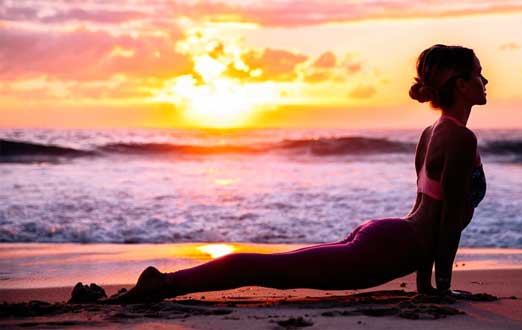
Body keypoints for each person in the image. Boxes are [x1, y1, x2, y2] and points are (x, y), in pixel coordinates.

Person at [109, 44, 488, 303]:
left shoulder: (432, 132)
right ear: (460, 84)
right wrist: (444, 288)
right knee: (273, 268)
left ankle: (163, 284)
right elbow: (447, 220)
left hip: (390, 236)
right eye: (478, 75)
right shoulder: (460, 138)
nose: (484, 82)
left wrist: (427, 286)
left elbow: (430, 210)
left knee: (276, 265)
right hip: (389, 248)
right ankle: (162, 285)